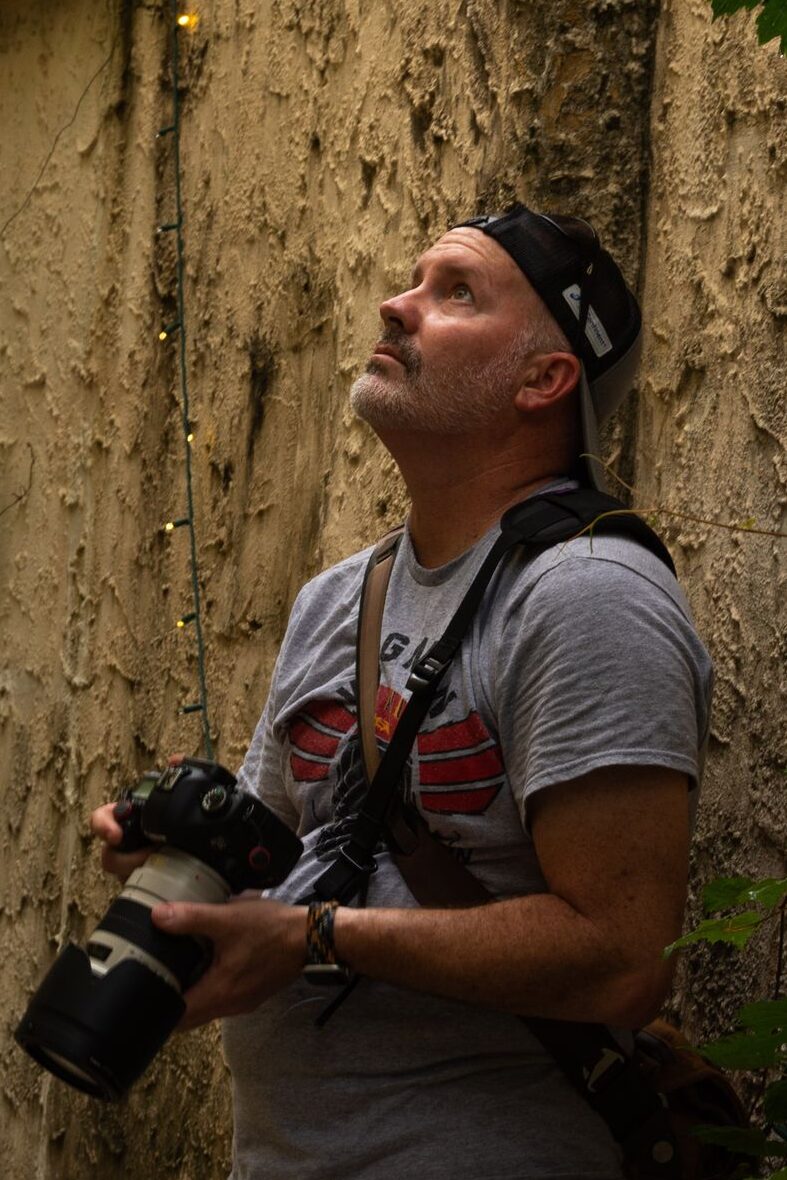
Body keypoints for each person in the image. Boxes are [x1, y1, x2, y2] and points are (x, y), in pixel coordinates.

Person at [92, 204, 713, 1179]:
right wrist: (186, 858)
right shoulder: (342, 596)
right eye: (413, 279)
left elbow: (621, 958)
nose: (395, 304)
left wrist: (316, 938)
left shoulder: (586, 595)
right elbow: (286, 864)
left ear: (544, 379)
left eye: (455, 292)